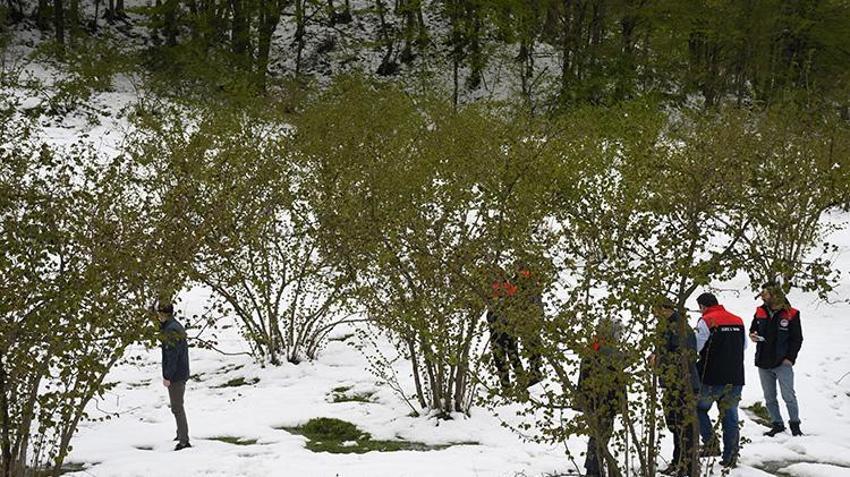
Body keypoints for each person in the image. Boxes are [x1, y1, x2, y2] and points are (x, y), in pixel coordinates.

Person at [694, 292, 746, 468]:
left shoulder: (706, 321)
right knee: (730, 417)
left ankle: (710, 443)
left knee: (698, 409)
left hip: (710, 377)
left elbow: (697, 346)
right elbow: (744, 345)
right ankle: (730, 457)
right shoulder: (738, 320)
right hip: (735, 377)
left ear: (703, 306)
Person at [652, 298, 699, 476]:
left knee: (684, 426)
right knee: (673, 424)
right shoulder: (665, 326)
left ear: (664, 308)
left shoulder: (680, 327)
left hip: (683, 384)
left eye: (655, 309)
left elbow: (687, 357)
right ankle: (677, 460)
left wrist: (660, 360)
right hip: (670, 383)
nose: (653, 314)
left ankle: (687, 465)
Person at [750, 282, 804, 437]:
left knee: (788, 396)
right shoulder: (760, 311)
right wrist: (753, 335)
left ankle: (795, 425)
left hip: (782, 362)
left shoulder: (791, 313)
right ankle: (777, 424)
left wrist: (790, 358)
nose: (762, 296)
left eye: (765, 294)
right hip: (763, 361)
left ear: (774, 295)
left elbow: (797, 339)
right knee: (769, 397)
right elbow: (753, 328)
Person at [576, 318, 626, 477]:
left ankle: (593, 467)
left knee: (597, 434)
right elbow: (623, 360)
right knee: (602, 435)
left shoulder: (594, 346)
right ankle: (593, 469)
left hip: (591, 399)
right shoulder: (607, 350)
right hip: (604, 400)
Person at [157, 302, 191, 451]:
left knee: (177, 407)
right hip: (181, 372)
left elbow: (172, 356)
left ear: (163, 314)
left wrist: (167, 375)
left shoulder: (171, 330)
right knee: (178, 406)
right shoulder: (173, 326)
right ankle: (180, 433)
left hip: (176, 375)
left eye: (159, 314)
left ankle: (184, 440)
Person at [487, 271, 525, 391]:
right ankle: (520, 383)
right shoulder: (511, 287)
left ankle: (507, 386)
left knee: (501, 357)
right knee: (512, 355)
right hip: (509, 326)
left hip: (500, 327)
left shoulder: (497, 290)